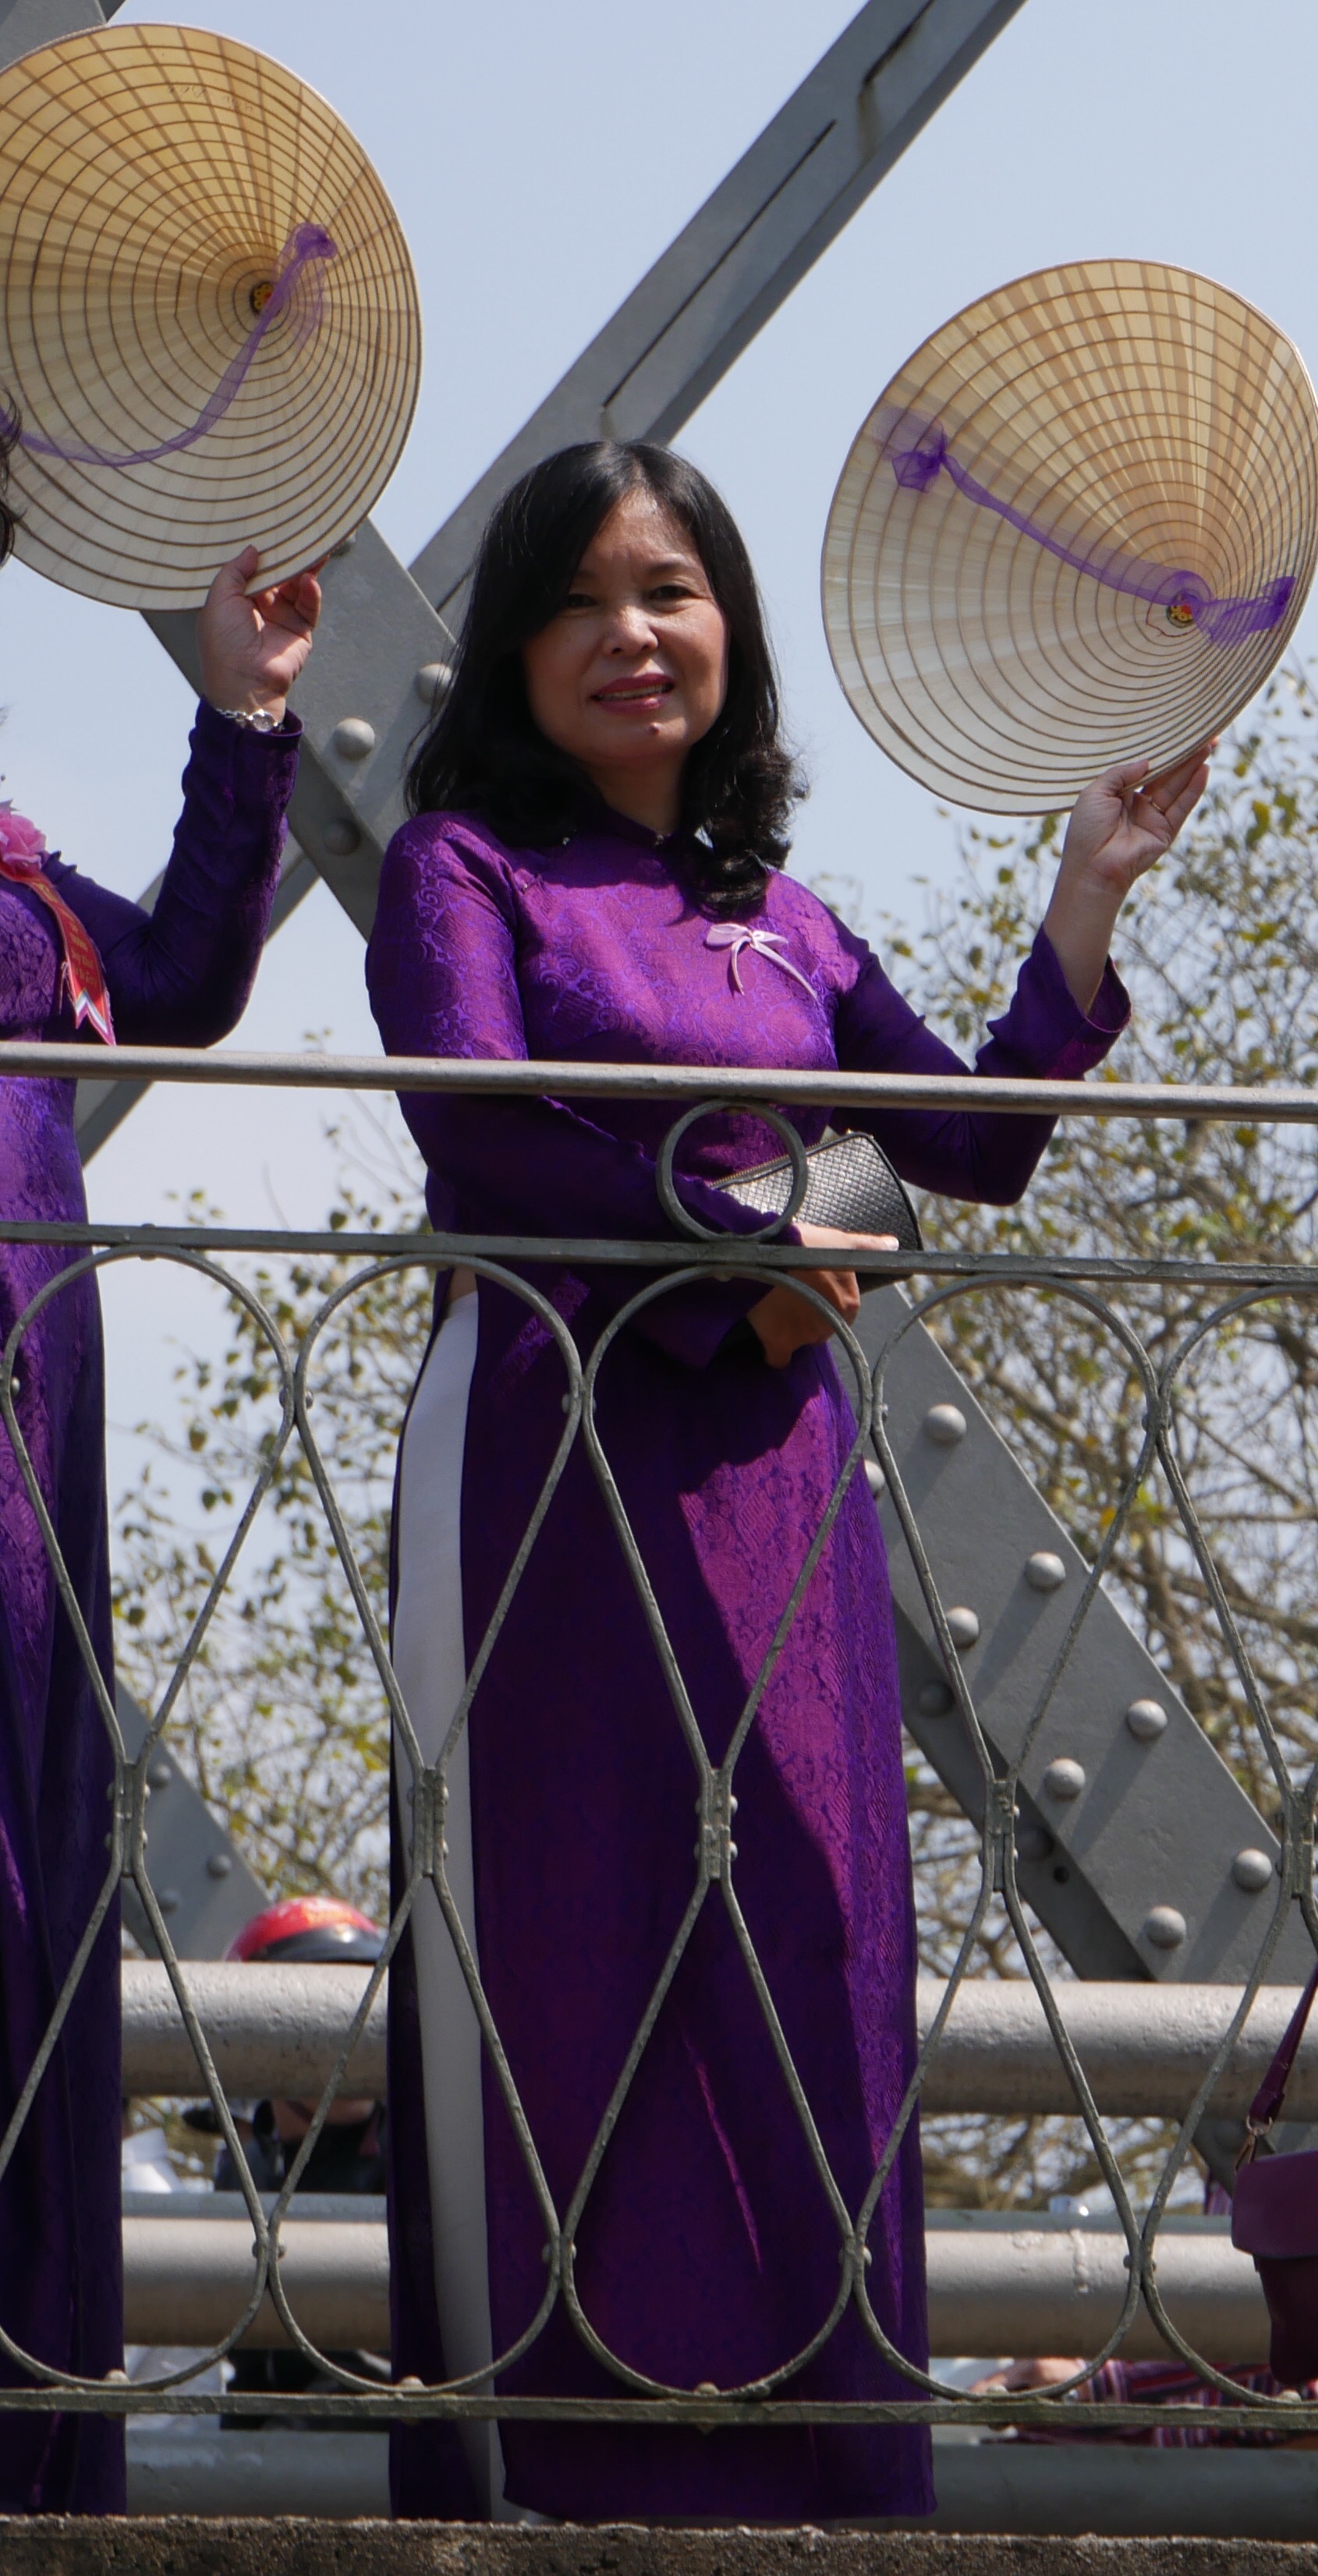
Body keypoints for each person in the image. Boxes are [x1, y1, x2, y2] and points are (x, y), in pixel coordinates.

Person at [365, 439, 1198, 2523]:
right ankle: (575, 2472)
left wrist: (1086, 898)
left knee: (805, 1931)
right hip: (556, 1450)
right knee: (575, 1927)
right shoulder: (465, 867)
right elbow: (482, 1132)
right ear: (513, 652)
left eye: (668, 592)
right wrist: (743, 1255)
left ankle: (816, 2467)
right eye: (577, 602)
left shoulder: (791, 920)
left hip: (776, 1463)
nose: (629, 637)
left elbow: (967, 1144)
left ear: (728, 629)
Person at [0, 506, 313, 2516]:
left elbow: (186, 978)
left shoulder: (16, 867)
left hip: (27, 1444)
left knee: (31, 1910)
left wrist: (244, 709)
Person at [200, 1898, 395, 2416]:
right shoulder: (244, 2168)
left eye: (364, 2004)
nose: (352, 2031)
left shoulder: (420, 2162)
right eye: (323, 2011)